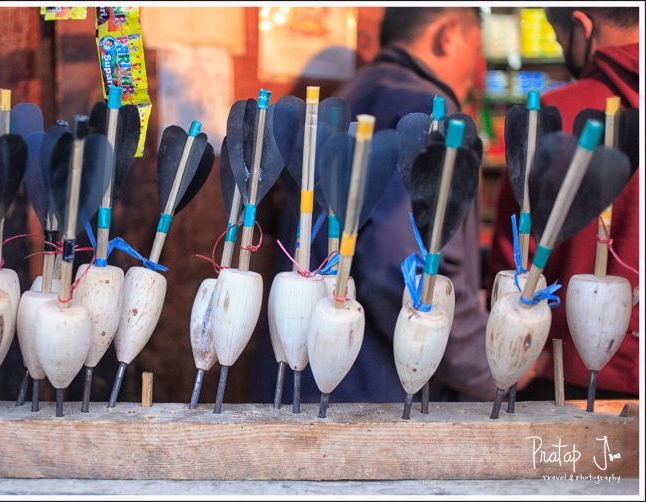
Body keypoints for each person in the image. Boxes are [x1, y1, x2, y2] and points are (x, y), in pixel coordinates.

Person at [251, 7, 498, 404]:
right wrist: (489, 369)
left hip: (304, 383)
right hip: (369, 395)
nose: (478, 65)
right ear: (448, 34)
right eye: (477, 47)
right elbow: (403, 272)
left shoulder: (356, 92)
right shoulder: (426, 112)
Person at [486, 7, 640, 400]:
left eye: (558, 37)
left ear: (581, 26)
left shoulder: (551, 117)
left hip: (559, 373)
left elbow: (517, 261)